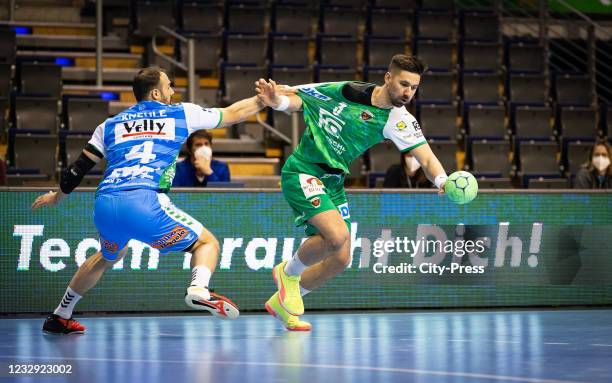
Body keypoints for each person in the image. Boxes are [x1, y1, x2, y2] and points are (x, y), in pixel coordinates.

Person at [31, 66, 276, 334]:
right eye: (169, 86)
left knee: (108, 255)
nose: (173, 91)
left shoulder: (109, 124)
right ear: (156, 92)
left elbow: (77, 169)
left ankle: (60, 315)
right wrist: (262, 100)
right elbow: (231, 115)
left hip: (105, 204)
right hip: (145, 201)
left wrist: (58, 196)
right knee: (206, 243)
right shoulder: (180, 113)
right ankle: (199, 289)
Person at [257, 54, 448, 331]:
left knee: (341, 258)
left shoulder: (399, 120)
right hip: (303, 170)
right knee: (337, 236)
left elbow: (427, 160)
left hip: (333, 182)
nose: (408, 93)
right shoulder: (349, 91)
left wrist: (441, 180)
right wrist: (279, 101)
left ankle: (281, 302)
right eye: (404, 84)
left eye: (414, 88)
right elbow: (304, 98)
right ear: (387, 78)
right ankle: (287, 274)